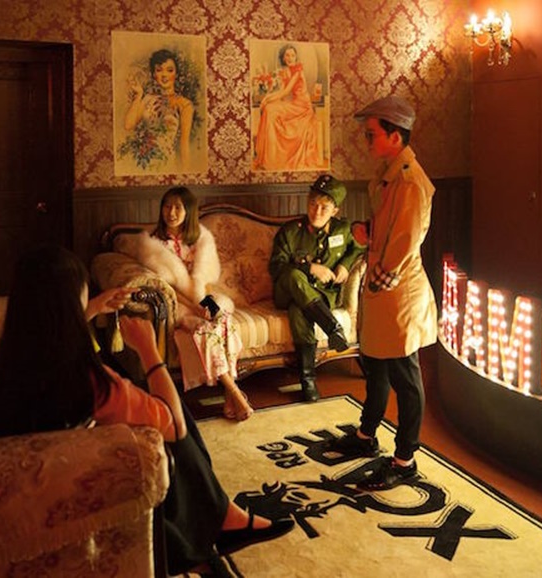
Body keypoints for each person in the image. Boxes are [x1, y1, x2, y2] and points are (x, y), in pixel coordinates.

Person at [0, 245, 294, 576]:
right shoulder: (89, 381)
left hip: (29, 495)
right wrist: (148, 350)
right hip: (89, 494)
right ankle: (220, 522)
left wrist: (92, 308)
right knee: (171, 419)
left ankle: (221, 520)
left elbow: (50, 334)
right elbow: (174, 424)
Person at [323, 95, 437, 491]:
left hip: (398, 292)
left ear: (395, 135)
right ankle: (366, 435)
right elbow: (392, 229)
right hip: (383, 288)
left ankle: (404, 460)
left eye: (372, 134)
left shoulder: (409, 180)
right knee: (376, 367)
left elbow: (408, 239)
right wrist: (368, 233)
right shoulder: (391, 175)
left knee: (405, 375)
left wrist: (382, 275)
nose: (366, 140)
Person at [118, 186, 253, 421]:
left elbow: (206, 282)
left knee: (223, 320)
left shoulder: (202, 239)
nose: (171, 213)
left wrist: (205, 304)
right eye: (167, 206)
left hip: (202, 297)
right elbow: (164, 287)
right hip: (177, 303)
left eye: (178, 207)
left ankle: (229, 395)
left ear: (188, 211)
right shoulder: (152, 244)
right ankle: (234, 392)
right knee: (204, 329)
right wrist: (194, 306)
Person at [269, 174, 365, 402]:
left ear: (335, 210)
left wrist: (345, 265)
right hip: (287, 290)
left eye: (324, 207)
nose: (317, 211)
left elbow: (358, 249)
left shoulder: (342, 230)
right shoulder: (291, 231)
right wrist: (310, 268)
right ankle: (332, 328)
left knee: (298, 310)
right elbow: (276, 267)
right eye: (313, 204)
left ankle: (308, 381)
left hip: (323, 295)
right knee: (294, 275)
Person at [252, 44, 325, 171]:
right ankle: (270, 158)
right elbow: (281, 91)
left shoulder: (298, 70)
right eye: (287, 55)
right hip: (294, 104)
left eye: (292, 55)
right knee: (269, 109)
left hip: (302, 106)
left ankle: (272, 160)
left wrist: (266, 99)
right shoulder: (286, 71)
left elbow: (285, 92)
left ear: (296, 57)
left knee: (270, 108)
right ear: (284, 58)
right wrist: (267, 99)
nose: (290, 58)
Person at [123, 49, 195, 170]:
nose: (164, 75)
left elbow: (184, 144)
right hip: (142, 163)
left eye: (170, 70)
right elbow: (128, 125)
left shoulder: (184, 104)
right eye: (159, 70)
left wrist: (185, 171)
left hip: (166, 164)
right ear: (154, 74)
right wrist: (139, 95)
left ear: (176, 74)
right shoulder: (148, 99)